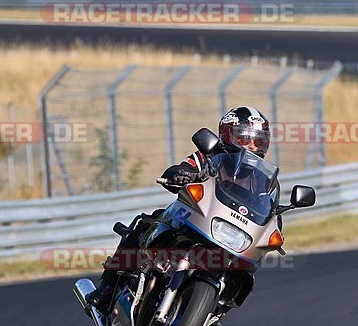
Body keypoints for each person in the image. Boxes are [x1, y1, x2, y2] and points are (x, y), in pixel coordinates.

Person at [85, 106, 272, 310]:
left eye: (258, 141)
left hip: (227, 232)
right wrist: (180, 174)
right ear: (227, 134)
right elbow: (184, 168)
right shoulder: (208, 156)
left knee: (246, 265)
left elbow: (267, 205)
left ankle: (212, 311)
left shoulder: (260, 178)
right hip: (193, 218)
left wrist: (274, 220)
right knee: (144, 224)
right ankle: (107, 287)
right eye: (245, 139)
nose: (252, 146)